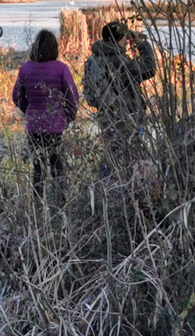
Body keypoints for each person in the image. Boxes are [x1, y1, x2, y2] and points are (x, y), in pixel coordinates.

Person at [11, 29, 78, 203]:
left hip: (34, 124)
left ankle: (38, 202)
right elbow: (72, 95)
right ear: (54, 47)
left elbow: (16, 96)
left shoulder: (26, 68)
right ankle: (60, 201)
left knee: (37, 166)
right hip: (55, 124)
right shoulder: (61, 68)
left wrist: (29, 110)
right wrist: (69, 115)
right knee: (57, 165)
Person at [88, 20, 155, 175]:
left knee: (113, 153)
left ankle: (104, 183)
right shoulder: (119, 60)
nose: (127, 40)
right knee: (133, 155)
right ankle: (130, 184)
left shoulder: (96, 58)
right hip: (126, 117)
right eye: (125, 36)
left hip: (106, 115)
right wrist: (142, 44)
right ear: (117, 38)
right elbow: (149, 69)